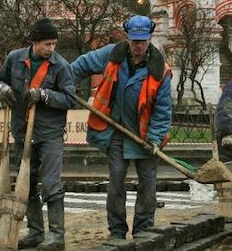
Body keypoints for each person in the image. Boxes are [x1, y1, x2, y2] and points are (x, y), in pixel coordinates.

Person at [70, 15, 172, 240]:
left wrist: (154, 139)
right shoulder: (111, 55)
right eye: (134, 41)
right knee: (116, 179)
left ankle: (144, 228)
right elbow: (81, 65)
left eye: (142, 41)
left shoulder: (161, 70)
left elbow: (163, 111)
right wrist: (63, 82)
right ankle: (116, 230)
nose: (138, 46)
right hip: (116, 130)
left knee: (148, 183)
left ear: (149, 39)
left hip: (145, 136)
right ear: (127, 38)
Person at [0, 18, 75, 251]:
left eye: (54, 44)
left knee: (51, 184)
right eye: (47, 44)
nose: (52, 49)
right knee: (25, 184)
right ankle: (36, 232)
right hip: (22, 132)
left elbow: (70, 98)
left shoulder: (61, 66)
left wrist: (45, 95)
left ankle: (57, 236)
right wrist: (1, 89)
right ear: (34, 42)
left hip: (50, 134)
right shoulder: (15, 59)